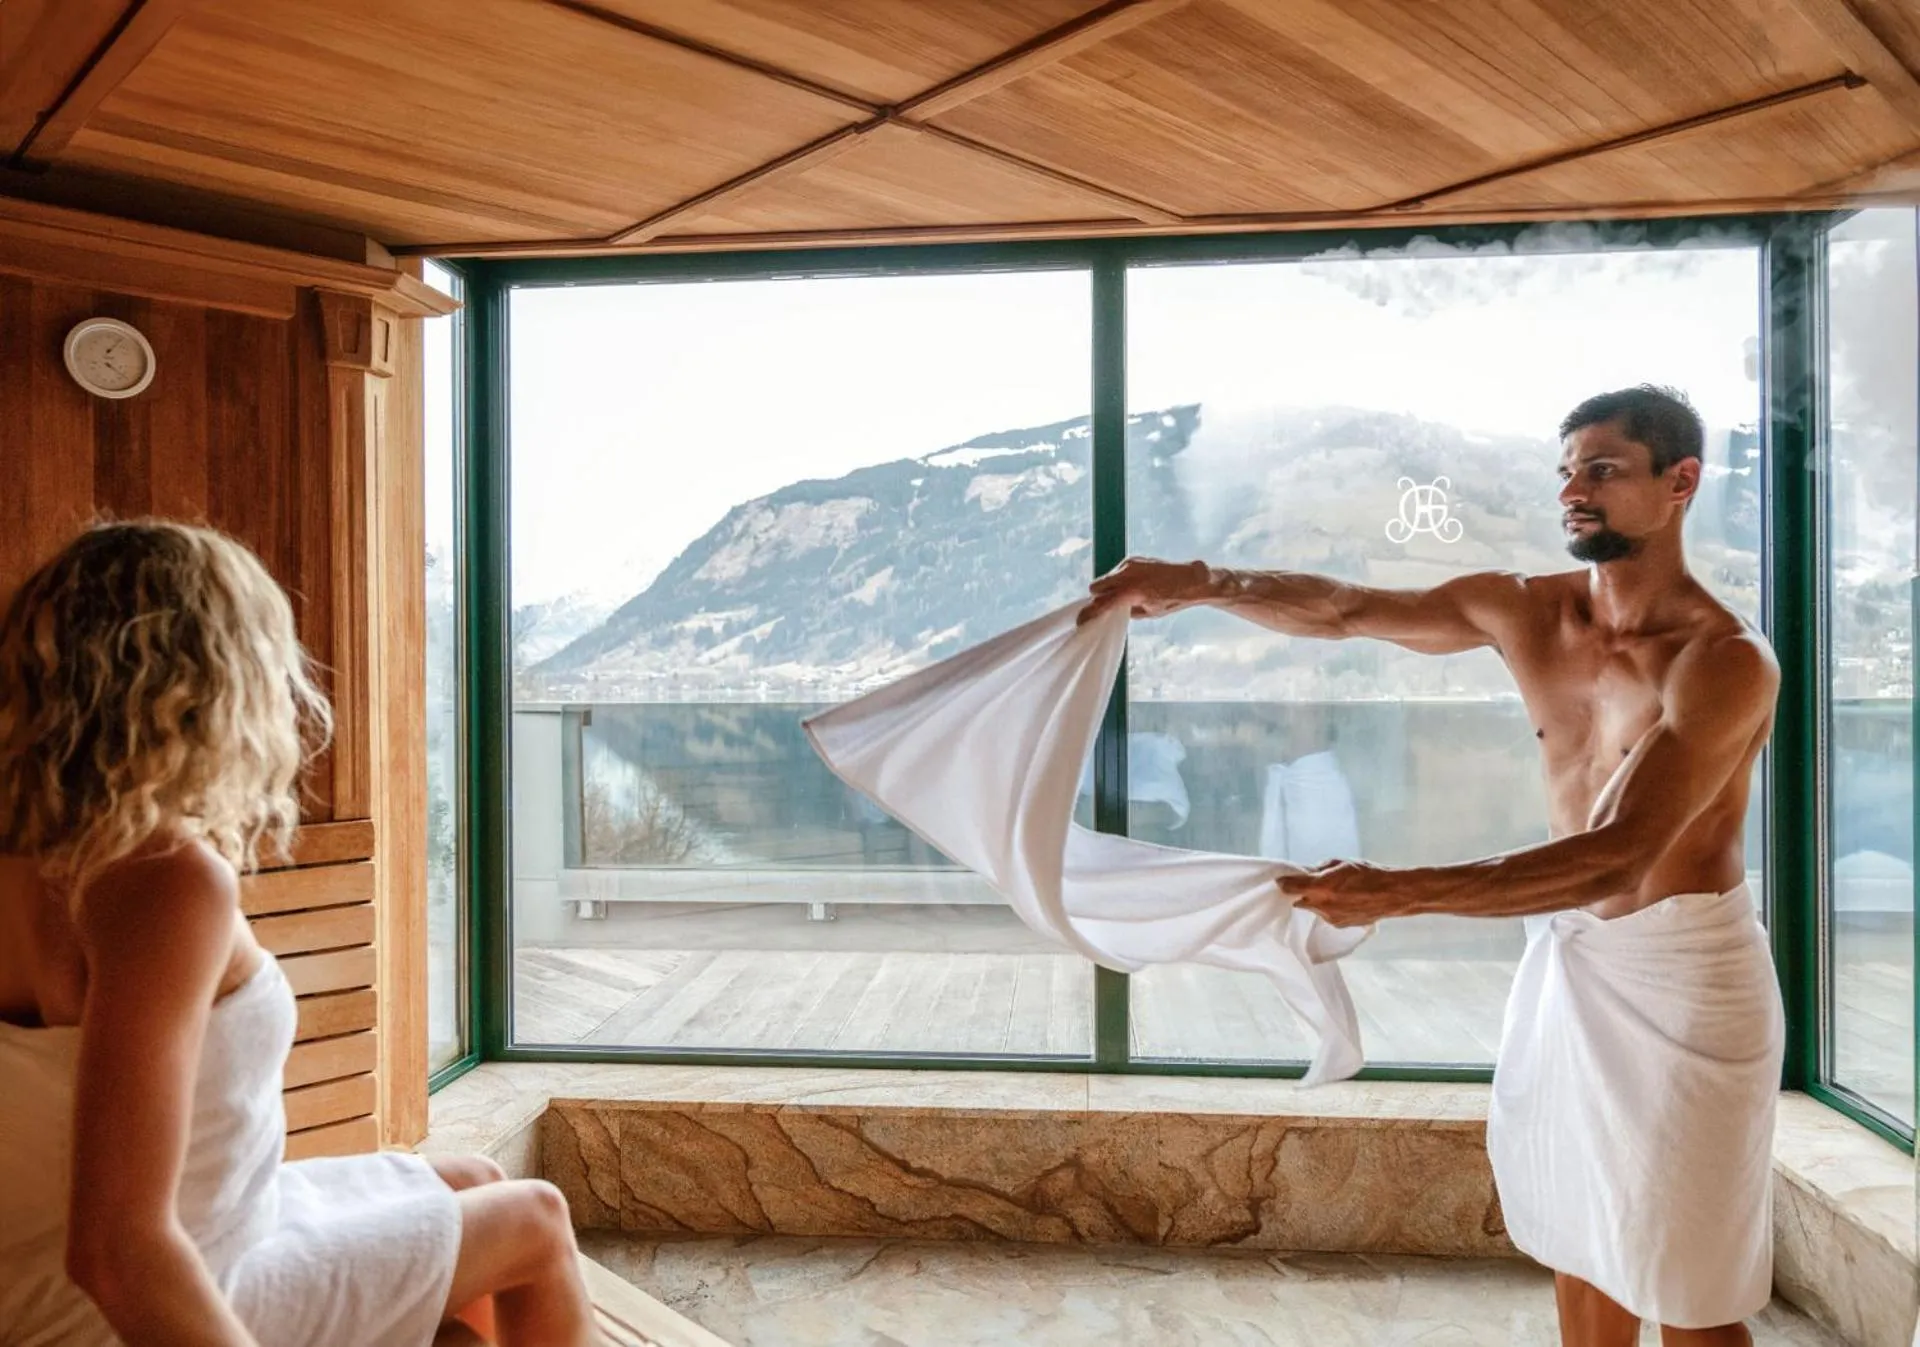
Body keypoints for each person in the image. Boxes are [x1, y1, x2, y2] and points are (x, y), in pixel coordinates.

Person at [1083, 385, 1783, 1347]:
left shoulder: (1724, 660)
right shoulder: (1528, 609)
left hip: (1687, 979)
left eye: (1603, 469)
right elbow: (1346, 611)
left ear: (1681, 482)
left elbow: (1617, 854)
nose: (1573, 490)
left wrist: (1399, 891)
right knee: (1583, 1244)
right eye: (1567, 470)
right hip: (1576, 965)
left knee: (1691, 1281)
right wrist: (1203, 580)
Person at [0, 521, 593, 1346]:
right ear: (212, 679)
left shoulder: (29, 853)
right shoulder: (163, 877)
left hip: (74, 1261)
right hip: (153, 1293)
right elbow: (117, 1249)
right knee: (535, 1217)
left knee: (475, 1177)